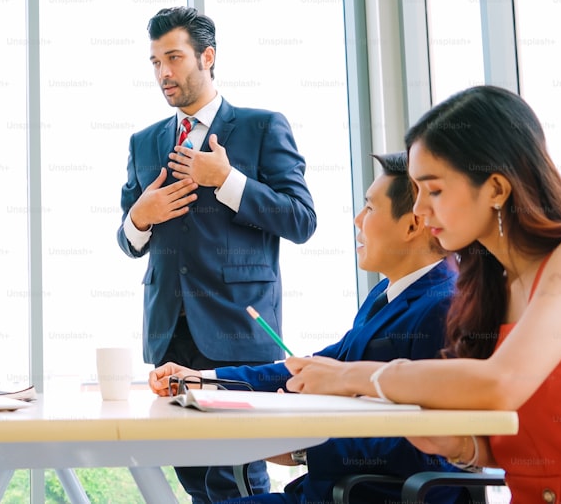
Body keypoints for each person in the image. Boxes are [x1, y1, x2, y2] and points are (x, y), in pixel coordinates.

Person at [285, 85, 561, 503]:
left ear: (495, 189)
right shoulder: (487, 288)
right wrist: (462, 447)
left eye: (433, 190)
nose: (418, 209)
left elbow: (500, 384)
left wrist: (351, 377)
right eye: (416, 190)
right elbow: (524, 446)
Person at [150, 151, 469, 504]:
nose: (357, 220)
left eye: (370, 208)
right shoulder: (387, 293)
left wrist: (306, 443)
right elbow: (309, 367)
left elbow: (429, 449)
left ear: (412, 225)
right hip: (325, 493)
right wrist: (206, 379)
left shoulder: (443, 307)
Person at [117, 6, 317, 501]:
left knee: (236, 480)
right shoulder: (145, 142)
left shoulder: (262, 127)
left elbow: (301, 220)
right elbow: (127, 238)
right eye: (155, 61)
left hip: (237, 333)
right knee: (193, 478)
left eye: (174, 57)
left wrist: (226, 181)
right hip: (170, 335)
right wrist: (142, 215)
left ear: (207, 57)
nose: (164, 72)